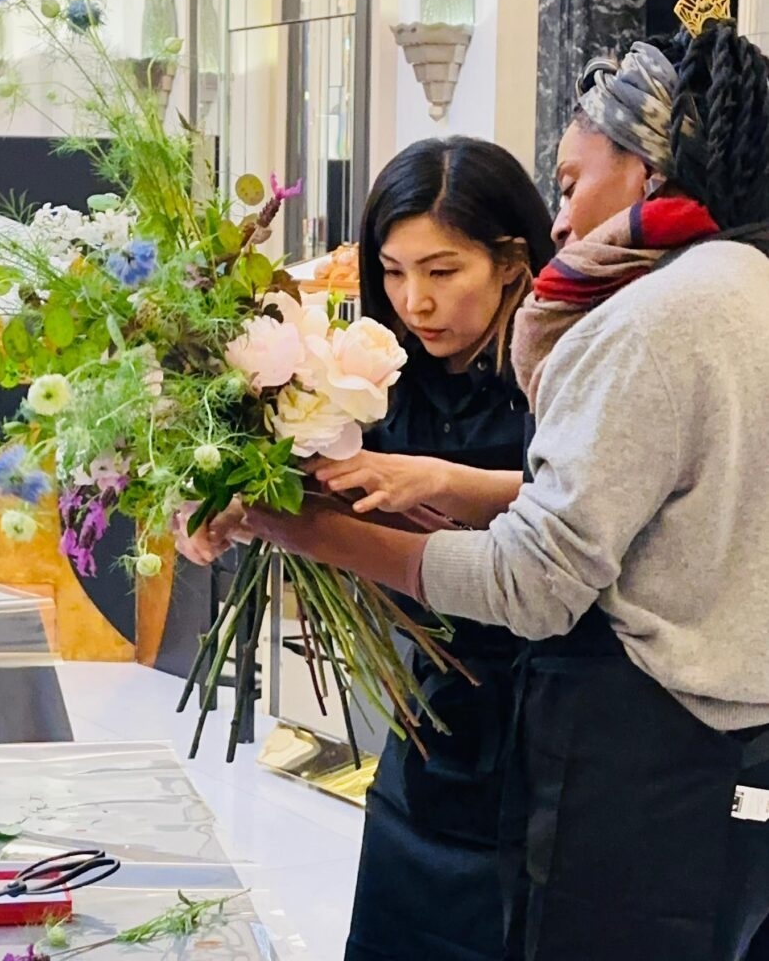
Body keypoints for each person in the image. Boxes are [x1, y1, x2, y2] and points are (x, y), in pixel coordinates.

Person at [235, 9, 769, 960]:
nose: (564, 217)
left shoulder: (650, 320)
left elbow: (534, 579)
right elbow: (639, 513)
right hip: (674, 760)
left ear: (648, 169)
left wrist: (298, 529)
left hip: (641, 760)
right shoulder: (740, 284)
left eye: (570, 183)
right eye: (394, 273)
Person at [179, 135, 553, 960]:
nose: (414, 301)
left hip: (552, 737)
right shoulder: (373, 382)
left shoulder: (564, 370)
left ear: (510, 261)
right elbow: (311, 500)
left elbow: (577, 519)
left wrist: (442, 485)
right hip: (428, 733)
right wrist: (232, 503)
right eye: (392, 271)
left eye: (442, 271)